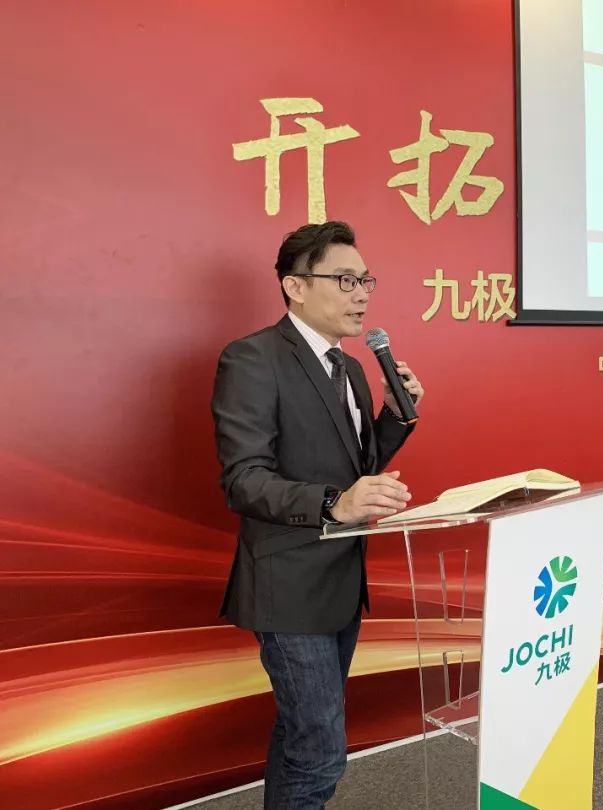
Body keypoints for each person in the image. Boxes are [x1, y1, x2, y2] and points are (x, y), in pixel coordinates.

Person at [211, 220, 423, 808]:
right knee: (321, 750)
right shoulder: (253, 358)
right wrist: (335, 503)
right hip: (287, 584)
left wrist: (394, 416)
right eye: (345, 280)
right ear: (296, 287)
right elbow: (243, 480)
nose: (361, 294)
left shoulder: (350, 368)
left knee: (301, 734)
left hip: (341, 578)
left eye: (366, 281)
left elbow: (359, 468)